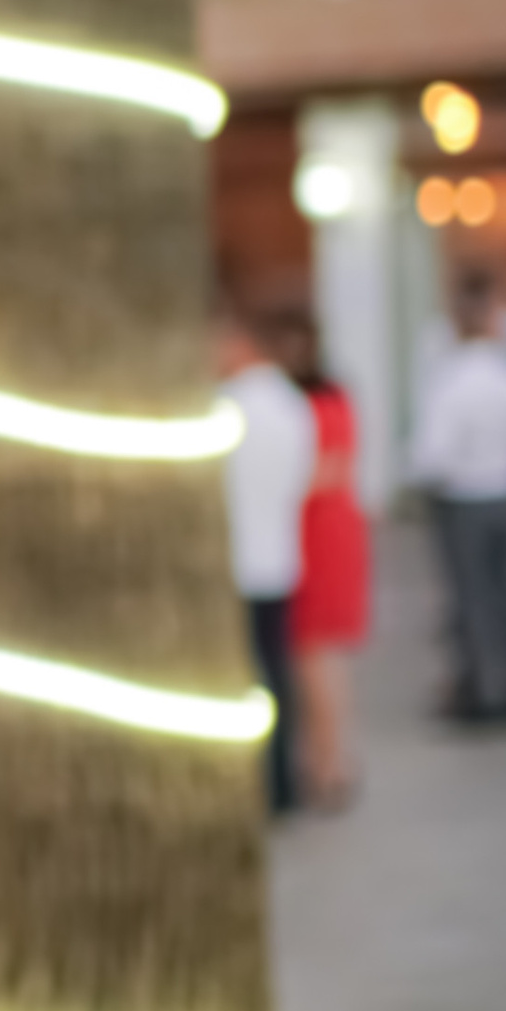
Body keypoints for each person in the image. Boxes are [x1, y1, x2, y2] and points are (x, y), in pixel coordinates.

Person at [411, 268, 506, 723]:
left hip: (463, 500)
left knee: (474, 600)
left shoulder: (451, 380)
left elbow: (434, 453)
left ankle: (485, 691)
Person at [214, 299, 318, 815]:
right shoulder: (293, 403)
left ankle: (259, 785)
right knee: (277, 673)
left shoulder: (224, 407)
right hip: (279, 553)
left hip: (235, 561)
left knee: (246, 678)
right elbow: (304, 478)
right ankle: (283, 783)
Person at [274, 317, 371, 808]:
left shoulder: (318, 402)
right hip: (323, 529)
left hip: (320, 534)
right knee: (317, 656)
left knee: (317, 655)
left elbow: (329, 467)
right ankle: (324, 757)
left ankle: (331, 763)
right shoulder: (325, 397)